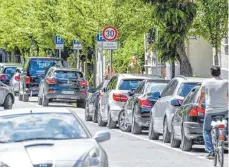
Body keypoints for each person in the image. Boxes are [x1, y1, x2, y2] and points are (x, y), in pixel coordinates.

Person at [198, 65, 228, 159]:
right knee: (225, 122)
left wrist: (199, 104)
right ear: (220, 73)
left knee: (206, 130)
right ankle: (223, 135)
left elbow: (201, 96)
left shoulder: (206, 82)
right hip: (223, 110)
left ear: (211, 73)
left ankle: (211, 152)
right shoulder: (226, 82)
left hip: (210, 111)